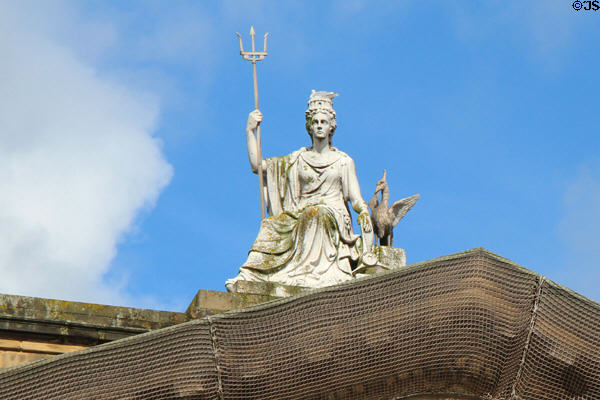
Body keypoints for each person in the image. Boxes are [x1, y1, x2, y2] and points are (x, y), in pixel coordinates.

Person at [226, 91, 374, 290]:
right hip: (300, 214)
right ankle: (253, 276)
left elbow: (355, 198)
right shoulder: (297, 159)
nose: (319, 125)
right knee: (272, 225)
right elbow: (257, 167)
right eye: (316, 122)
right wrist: (249, 131)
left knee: (316, 214)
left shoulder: (343, 162)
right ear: (309, 127)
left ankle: (317, 276)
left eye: (324, 121)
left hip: (332, 215)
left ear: (332, 127)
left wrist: (363, 212)